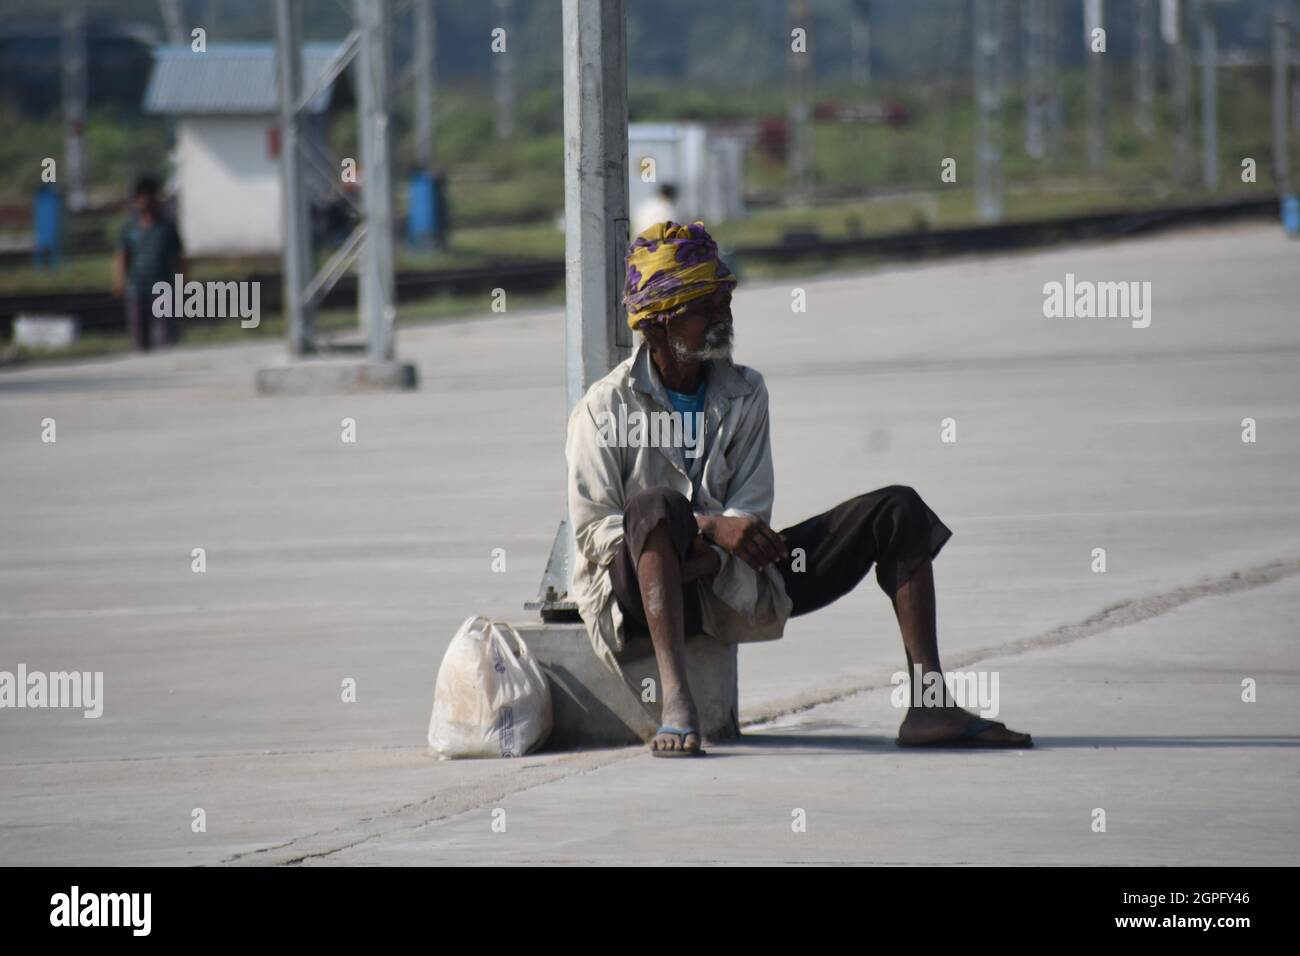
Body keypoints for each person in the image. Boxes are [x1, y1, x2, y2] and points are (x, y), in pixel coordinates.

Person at [566, 221, 1033, 757]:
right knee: (655, 506)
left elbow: (751, 507)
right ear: (663, 322)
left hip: (731, 577)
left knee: (897, 508)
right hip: (641, 594)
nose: (724, 315)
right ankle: (676, 702)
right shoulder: (604, 409)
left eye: (726, 301)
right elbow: (595, 530)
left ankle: (929, 705)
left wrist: (718, 551)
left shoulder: (745, 391)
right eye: (708, 306)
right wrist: (705, 529)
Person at [114, 175, 184, 351]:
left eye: (149, 196)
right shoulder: (130, 228)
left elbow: (179, 257)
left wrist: (184, 283)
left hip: (163, 288)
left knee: (165, 337)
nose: (145, 201)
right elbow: (122, 255)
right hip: (137, 288)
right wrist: (120, 280)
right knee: (140, 339)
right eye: (141, 196)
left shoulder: (166, 227)